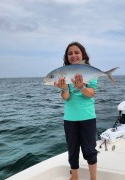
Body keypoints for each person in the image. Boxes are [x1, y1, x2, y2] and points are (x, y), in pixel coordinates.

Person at [54, 42, 97, 180]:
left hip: (87, 117)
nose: (73, 55)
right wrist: (65, 88)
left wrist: (81, 87)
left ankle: (93, 178)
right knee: (72, 150)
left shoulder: (90, 71)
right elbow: (66, 98)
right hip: (70, 118)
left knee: (89, 149)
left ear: (82, 55)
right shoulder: (63, 73)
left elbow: (91, 94)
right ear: (67, 57)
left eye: (76, 52)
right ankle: (75, 176)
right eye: (70, 53)